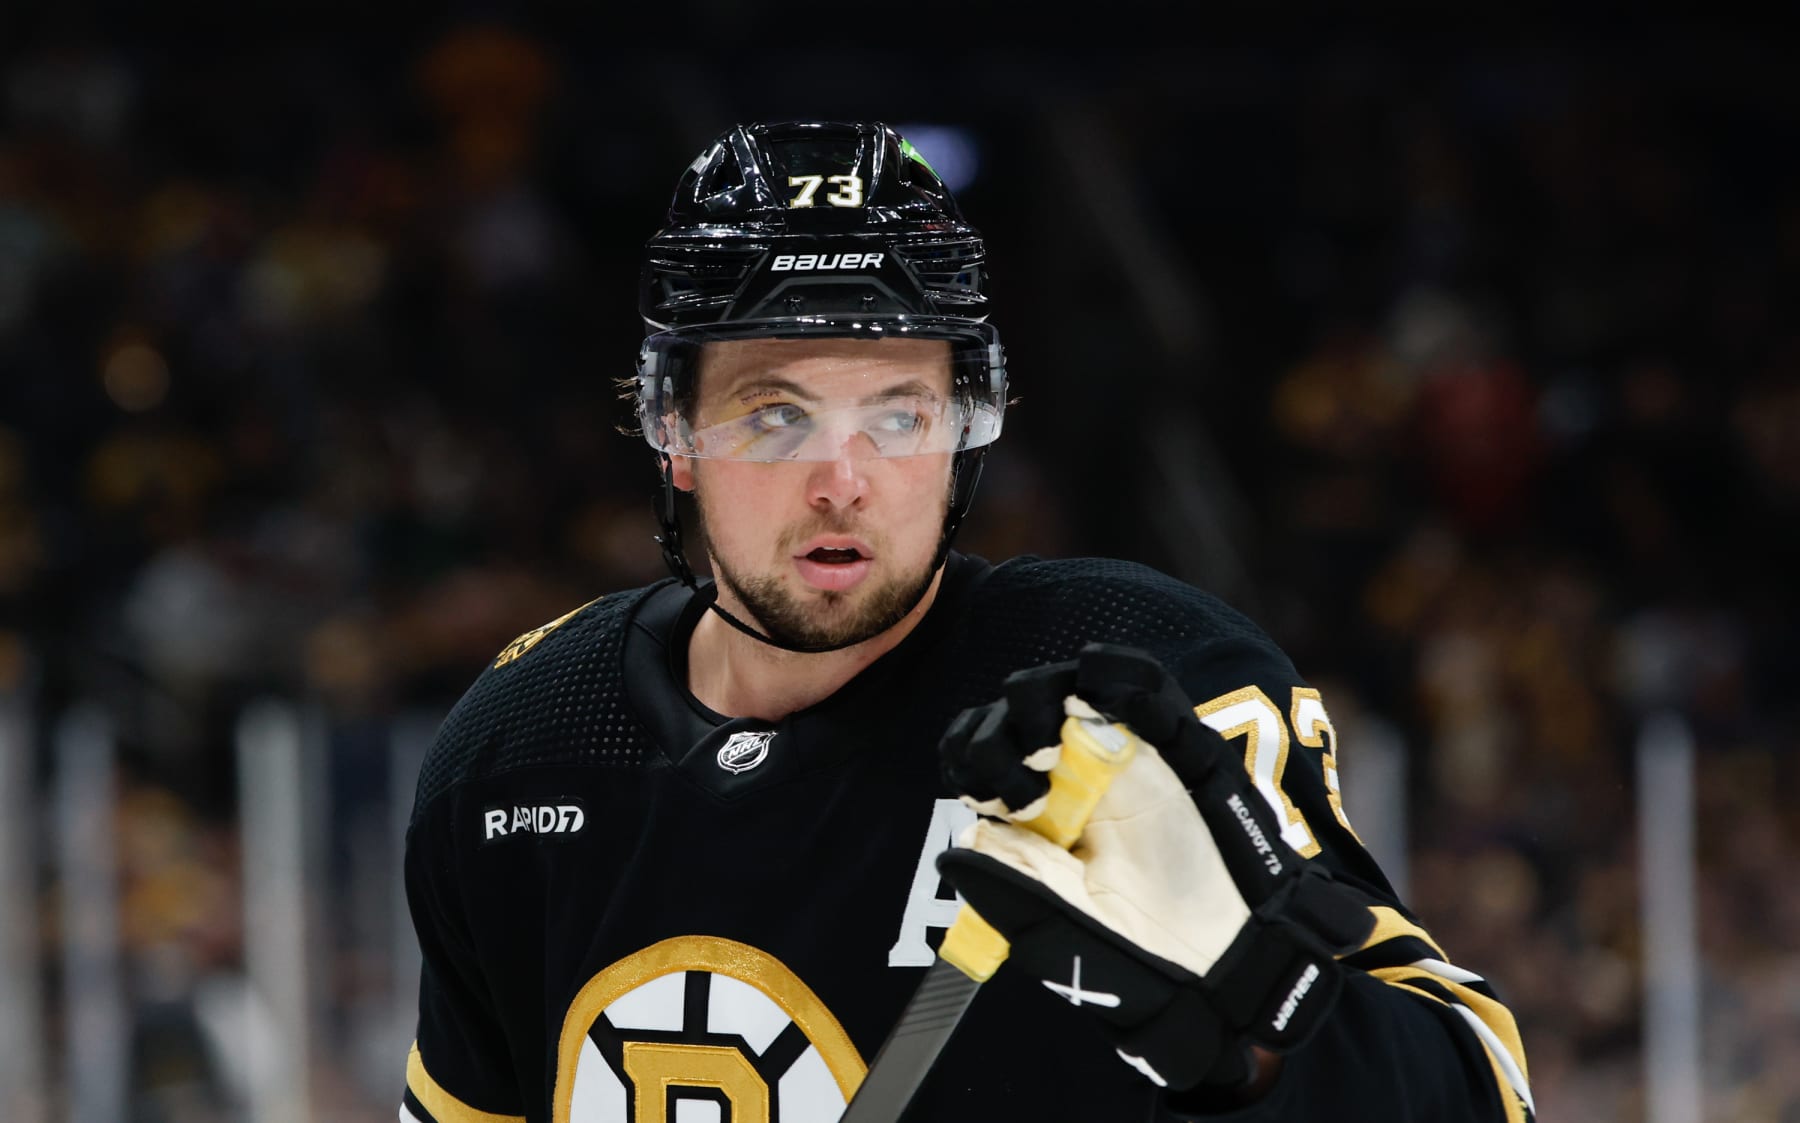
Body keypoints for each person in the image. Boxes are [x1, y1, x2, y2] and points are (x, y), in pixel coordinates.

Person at [398, 120, 1533, 1123]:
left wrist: (1259, 1046)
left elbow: (1483, 1096)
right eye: (775, 413)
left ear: (965, 427)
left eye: (899, 412)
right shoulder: (521, 749)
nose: (842, 480)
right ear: (672, 432)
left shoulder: (1138, 693)